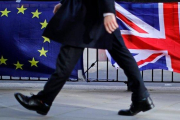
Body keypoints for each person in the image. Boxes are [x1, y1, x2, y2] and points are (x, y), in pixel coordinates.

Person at [14, 0, 154, 116]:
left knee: (67, 63)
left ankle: (43, 101)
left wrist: (108, 11)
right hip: (91, 12)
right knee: (122, 55)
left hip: (87, 14)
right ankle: (141, 97)